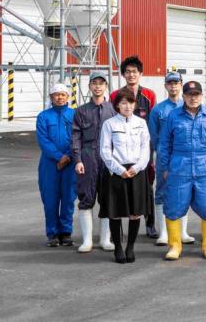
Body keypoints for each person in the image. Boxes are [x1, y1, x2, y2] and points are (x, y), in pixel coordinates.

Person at [157, 80, 206, 260]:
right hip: (179, 165)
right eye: (190, 95)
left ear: (202, 96)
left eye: (197, 95)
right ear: (183, 96)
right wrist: (166, 167)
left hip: (204, 166)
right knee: (174, 206)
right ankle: (174, 246)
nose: (193, 98)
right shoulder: (173, 116)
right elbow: (164, 144)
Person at [99, 88, 153, 264]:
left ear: (135, 104)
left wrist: (137, 168)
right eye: (123, 103)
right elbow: (105, 150)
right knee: (115, 212)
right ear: (117, 106)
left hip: (136, 171)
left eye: (130, 102)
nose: (127, 106)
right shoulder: (109, 124)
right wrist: (118, 168)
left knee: (135, 212)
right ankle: (118, 248)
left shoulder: (141, 123)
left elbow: (146, 148)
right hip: (117, 172)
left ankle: (130, 247)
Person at [110, 55, 158, 238]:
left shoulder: (149, 95)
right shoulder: (115, 95)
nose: (131, 75)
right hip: (121, 152)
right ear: (123, 74)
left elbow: (152, 124)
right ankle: (121, 227)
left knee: (147, 185)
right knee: (121, 188)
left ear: (141, 74)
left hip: (144, 151)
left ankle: (150, 224)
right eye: (128, 72)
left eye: (134, 72)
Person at [148, 71, 195, 246]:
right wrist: (154, 157)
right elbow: (154, 136)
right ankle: (163, 233)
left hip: (184, 157)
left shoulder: (189, 105)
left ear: (181, 84)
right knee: (161, 192)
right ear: (166, 86)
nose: (173, 86)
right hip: (164, 157)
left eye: (176, 82)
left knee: (184, 191)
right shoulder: (158, 110)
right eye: (170, 83)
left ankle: (182, 232)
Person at [71, 71, 115, 253]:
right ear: (89, 86)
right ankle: (87, 240)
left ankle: (105, 240)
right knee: (86, 198)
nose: (98, 86)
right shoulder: (81, 111)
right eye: (94, 83)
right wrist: (78, 159)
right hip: (88, 157)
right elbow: (75, 136)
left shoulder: (113, 110)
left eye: (101, 83)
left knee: (107, 200)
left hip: (107, 159)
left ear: (106, 86)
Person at [36, 83, 76, 247]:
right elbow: (43, 140)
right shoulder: (43, 116)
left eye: (63, 94)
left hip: (70, 164)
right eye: (56, 95)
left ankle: (65, 233)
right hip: (49, 164)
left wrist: (68, 157)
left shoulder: (75, 115)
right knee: (50, 199)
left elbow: (77, 138)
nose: (59, 97)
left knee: (68, 199)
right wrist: (59, 157)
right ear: (51, 97)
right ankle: (52, 233)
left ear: (68, 97)